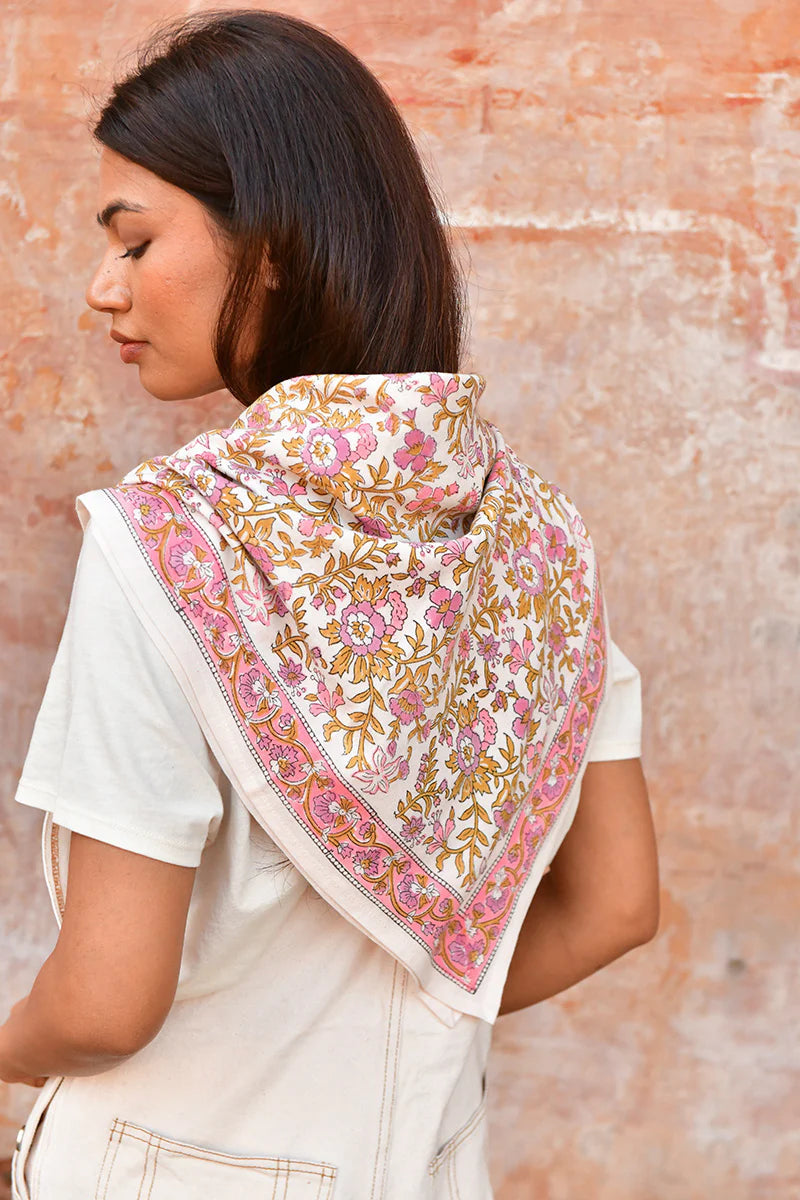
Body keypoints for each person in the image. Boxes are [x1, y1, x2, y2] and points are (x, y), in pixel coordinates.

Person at [1, 10, 659, 1198]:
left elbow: (101, 1003)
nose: (103, 288)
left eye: (135, 241)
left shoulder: (169, 543)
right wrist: (362, 1059)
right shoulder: (537, 540)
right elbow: (614, 905)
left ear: (273, 247)